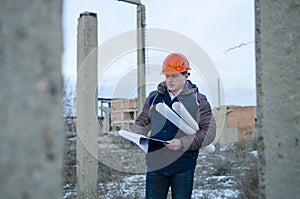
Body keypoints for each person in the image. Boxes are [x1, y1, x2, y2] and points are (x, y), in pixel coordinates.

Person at [131, 53, 216, 199]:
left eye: (175, 76)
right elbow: (141, 123)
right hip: (155, 165)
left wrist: (182, 143)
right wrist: (137, 137)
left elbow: (208, 132)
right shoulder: (154, 98)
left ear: (186, 75)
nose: (170, 80)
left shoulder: (198, 100)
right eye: (167, 76)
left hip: (183, 166)